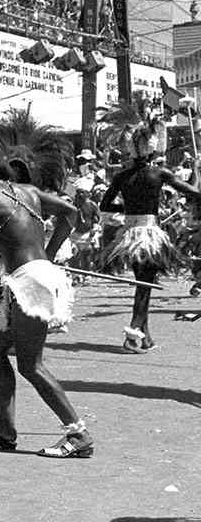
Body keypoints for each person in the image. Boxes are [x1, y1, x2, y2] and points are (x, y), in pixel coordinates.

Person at [0, 135, 92, 459]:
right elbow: (70, 213)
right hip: (35, 277)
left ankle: (79, 433)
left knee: (31, 366)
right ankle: (5, 426)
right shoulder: (28, 192)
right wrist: (49, 255)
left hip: (29, 283)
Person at [99, 115, 201, 352]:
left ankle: (145, 337)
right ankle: (133, 332)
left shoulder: (122, 176)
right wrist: (195, 169)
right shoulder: (159, 173)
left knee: (144, 283)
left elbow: (105, 205)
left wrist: (128, 208)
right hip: (149, 235)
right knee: (145, 285)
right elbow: (193, 192)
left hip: (129, 234)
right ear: (152, 151)